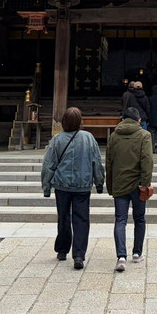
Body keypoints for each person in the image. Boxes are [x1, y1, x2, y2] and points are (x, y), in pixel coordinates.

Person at [41, 107, 104, 271]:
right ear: (80, 121)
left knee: (63, 217)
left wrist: (46, 186)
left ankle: (62, 250)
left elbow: (49, 164)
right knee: (81, 219)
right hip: (82, 185)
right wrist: (99, 182)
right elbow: (96, 161)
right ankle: (79, 255)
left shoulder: (57, 139)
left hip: (62, 185)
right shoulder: (88, 138)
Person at [105, 106, 153, 272]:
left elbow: (109, 162)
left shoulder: (114, 136)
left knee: (120, 219)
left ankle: (121, 256)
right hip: (138, 184)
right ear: (139, 120)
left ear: (122, 119)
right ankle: (137, 253)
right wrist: (145, 183)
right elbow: (147, 160)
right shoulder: (144, 135)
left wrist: (110, 185)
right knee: (139, 219)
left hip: (119, 182)